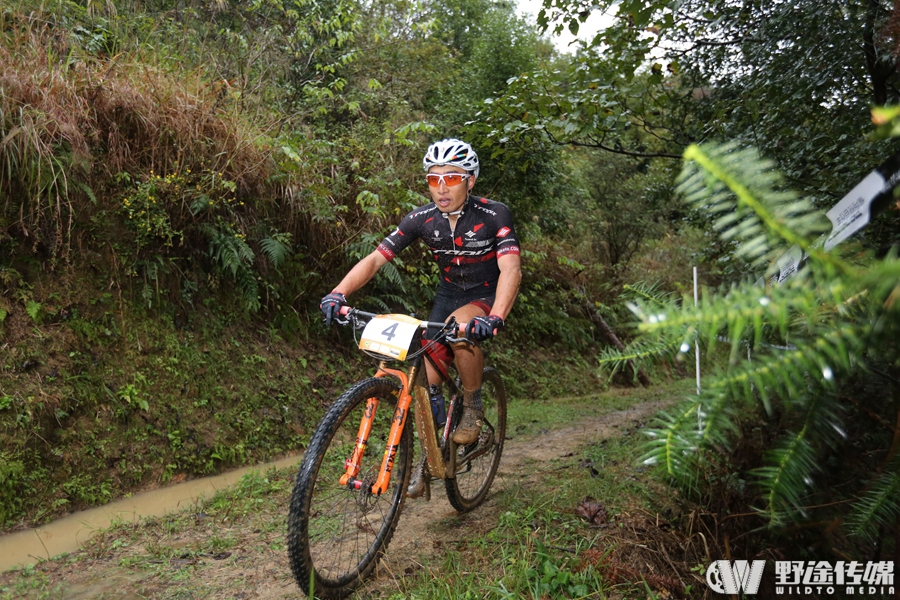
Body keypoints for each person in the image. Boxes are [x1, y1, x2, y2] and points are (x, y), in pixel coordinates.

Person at [319, 138, 522, 457]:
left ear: (470, 181)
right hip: (447, 294)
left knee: (460, 327)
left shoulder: (494, 214)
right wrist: (338, 293)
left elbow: (511, 269)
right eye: (433, 179)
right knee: (423, 383)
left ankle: (472, 406)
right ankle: (434, 456)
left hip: (484, 294)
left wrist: (496, 316)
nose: (441, 188)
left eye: (451, 178)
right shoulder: (421, 219)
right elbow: (374, 260)